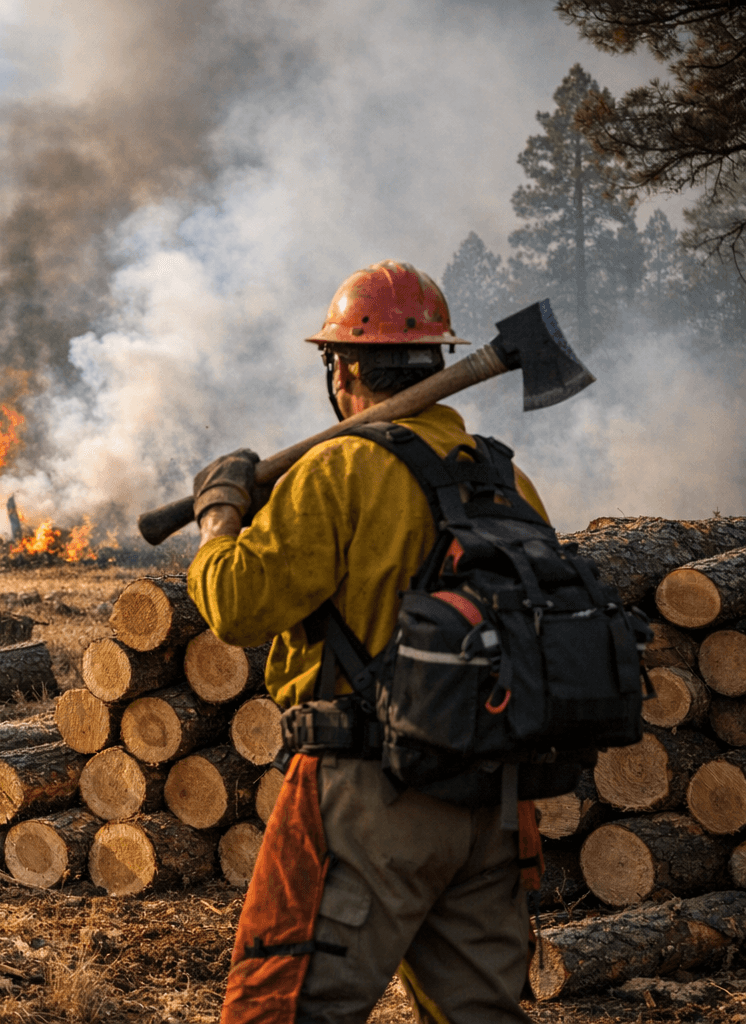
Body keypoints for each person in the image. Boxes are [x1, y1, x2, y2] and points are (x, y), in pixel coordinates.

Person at [187, 261, 550, 1024]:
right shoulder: (503, 478)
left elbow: (236, 607)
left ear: (344, 368)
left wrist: (219, 516)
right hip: (493, 802)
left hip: (367, 793)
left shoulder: (339, 469)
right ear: (437, 361)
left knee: (279, 1011)